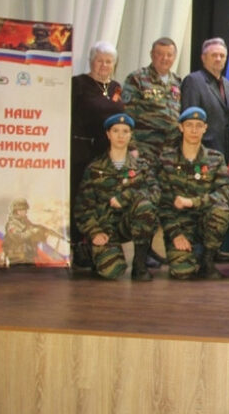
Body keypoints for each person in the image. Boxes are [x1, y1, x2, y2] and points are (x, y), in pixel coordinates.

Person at [73, 114, 160, 281]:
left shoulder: (142, 166)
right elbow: (83, 208)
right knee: (112, 271)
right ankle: (96, 253)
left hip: (129, 223)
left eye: (125, 131)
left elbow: (155, 194)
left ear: (131, 135)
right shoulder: (95, 168)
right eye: (116, 131)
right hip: (104, 227)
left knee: (145, 206)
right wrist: (94, 232)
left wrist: (127, 196)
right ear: (108, 134)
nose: (121, 136)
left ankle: (140, 264)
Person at [157, 107, 229, 280]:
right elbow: (162, 202)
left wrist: (194, 202)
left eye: (198, 125)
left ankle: (207, 259)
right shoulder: (166, 159)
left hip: (205, 220)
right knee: (182, 272)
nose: (194, 130)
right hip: (179, 224)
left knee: (221, 211)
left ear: (205, 128)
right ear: (181, 127)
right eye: (189, 125)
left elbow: (226, 191)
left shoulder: (215, 158)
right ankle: (194, 251)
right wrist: (175, 234)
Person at [71, 41, 125, 266]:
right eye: (100, 60)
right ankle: (78, 245)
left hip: (108, 152)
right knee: (80, 198)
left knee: (103, 198)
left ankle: (102, 244)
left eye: (109, 61)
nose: (104, 65)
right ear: (91, 61)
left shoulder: (116, 87)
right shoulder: (78, 84)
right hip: (82, 150)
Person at [122, 37, 182, 161]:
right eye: (160, 54)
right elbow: (126, 114)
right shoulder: (137, 78)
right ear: (151, 55)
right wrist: (131, 147)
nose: (165, 58)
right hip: (145, 149)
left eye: (169, 55)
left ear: (174, 57)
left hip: (171, 151)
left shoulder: (178, 81)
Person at [180, 38, 229, 157]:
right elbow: (189, 120)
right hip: (201, 153)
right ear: (203, 58)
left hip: (225, 154)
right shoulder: (193, 81)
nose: (218, 59)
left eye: (222, 56)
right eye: (214, 55)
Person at [2, 198, 65, 265]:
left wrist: (45, 231)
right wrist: (32, 231)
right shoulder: (12, 225)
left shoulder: (25, 221)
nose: (26, 212)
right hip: (17, 259)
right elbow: (19, 237)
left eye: (26, 210)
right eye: (24, 210)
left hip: (28, 257)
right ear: (18, 211)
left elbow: (33, 228)